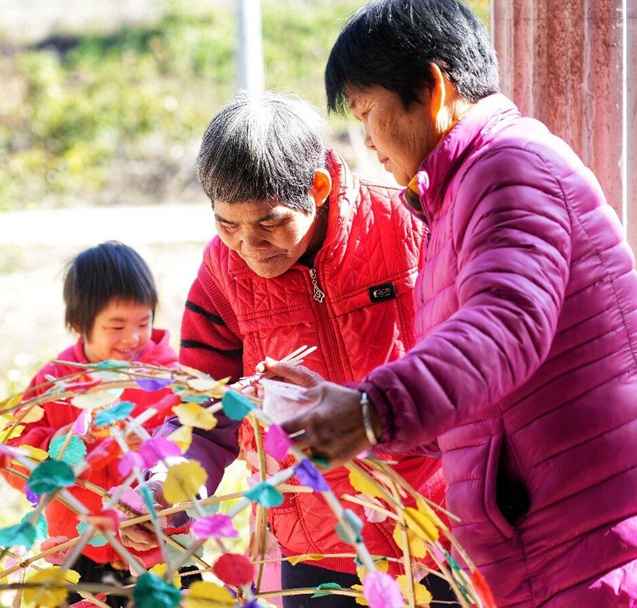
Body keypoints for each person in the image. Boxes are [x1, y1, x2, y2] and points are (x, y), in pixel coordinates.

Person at [273, 1, 637, 606]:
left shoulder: (510, 167)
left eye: (368, 113)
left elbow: (505, 329)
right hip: (539, 552)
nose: (368, 141)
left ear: (433, 88)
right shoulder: (456, 195)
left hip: (581, 547)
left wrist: (370, 409)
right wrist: (352, 411)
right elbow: (478, 409)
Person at [123, 91, 454, 607]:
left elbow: (467, 376)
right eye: (227, 224)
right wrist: (167, 484)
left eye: (269, 223)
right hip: (315, 551)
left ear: (317, 188)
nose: (249, 246)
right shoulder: (223, 273)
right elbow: (204, 410)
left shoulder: (410, 229)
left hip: (435, 527)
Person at [5, 241, 178, 607]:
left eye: (143, 322)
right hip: (76, 548)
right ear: (79, 324)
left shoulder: (166, 378)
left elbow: (193, 448)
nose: (133, 337)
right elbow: (12, 453)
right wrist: (61, 444)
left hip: (156, 546)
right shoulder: (57, 381)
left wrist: (153, 447)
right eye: (116, 326)